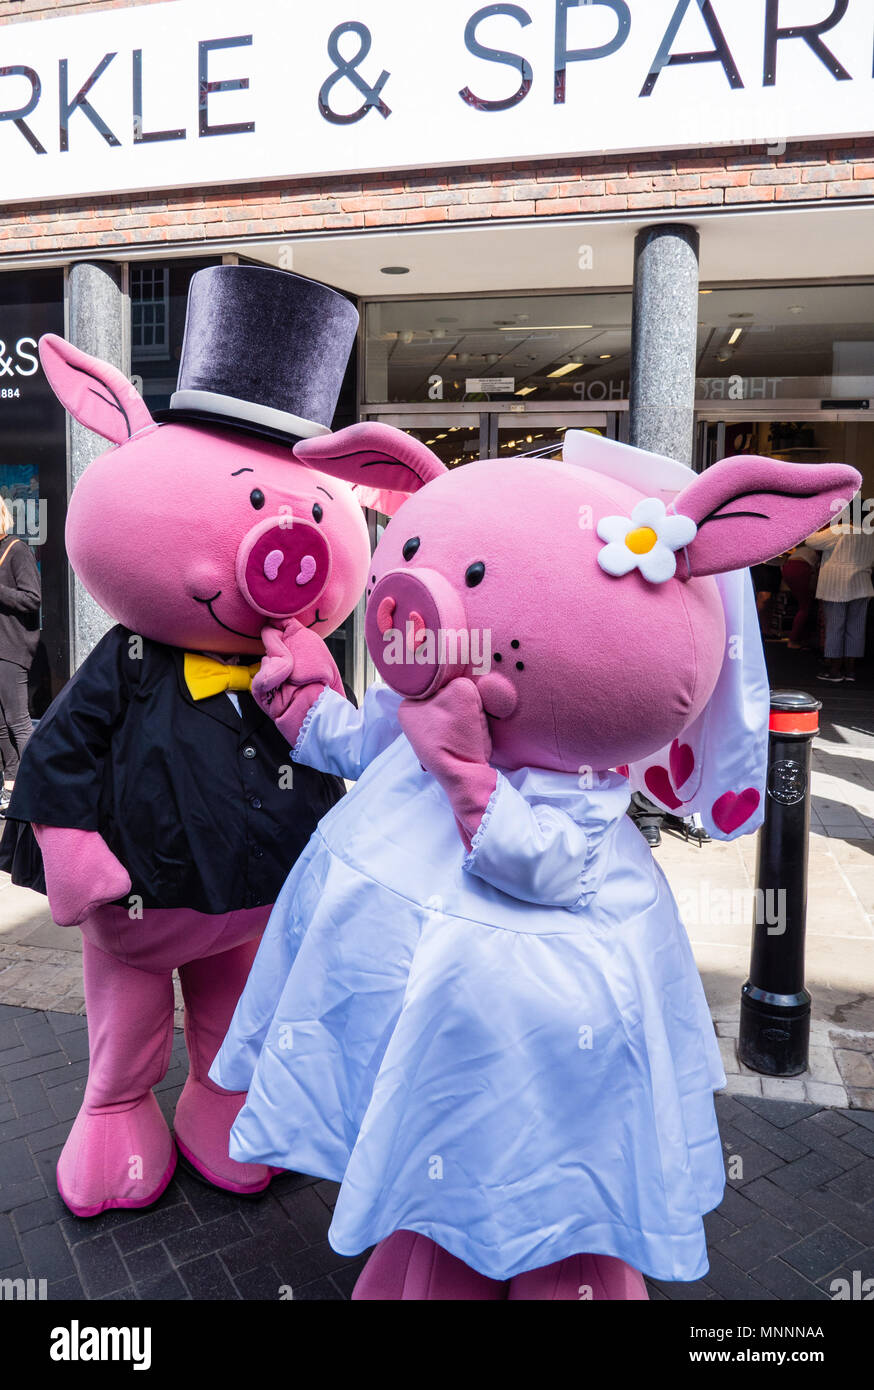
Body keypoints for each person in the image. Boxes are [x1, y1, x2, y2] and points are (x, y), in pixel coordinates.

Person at [0, 498, 40, 815]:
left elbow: (32, 599)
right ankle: (12, 787)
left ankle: (41, 785)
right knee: (1, 725)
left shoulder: (17, 549)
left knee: (18, 722)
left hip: (11, 648)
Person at [806, 520, 874, 682]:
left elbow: (811, 541)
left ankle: (834, 670)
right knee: (856, 629)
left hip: (837, 586)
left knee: (835, 627)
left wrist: (814, 523)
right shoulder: (870, 533)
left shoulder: (841, 529)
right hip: (862, 584)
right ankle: (850, 670)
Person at [781, 542, 819, 648]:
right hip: (800, 568)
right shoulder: (819, 546)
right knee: (805, 607)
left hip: (788, 566)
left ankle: (800, 637)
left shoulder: (808, 545)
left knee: (803, 604)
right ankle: (793, 640)